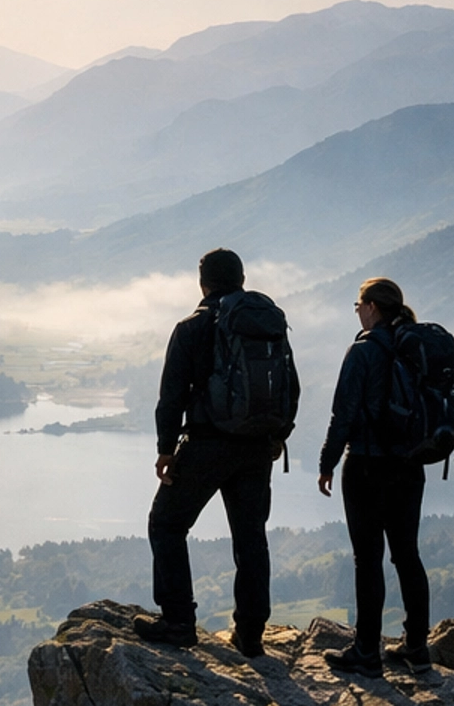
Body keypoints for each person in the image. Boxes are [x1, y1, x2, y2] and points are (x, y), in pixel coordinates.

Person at [135, 248, 299, 657]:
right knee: (251, 537)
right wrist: (280, 434)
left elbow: (172, 395)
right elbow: (290, 386)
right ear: (242, 279)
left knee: (167, 524)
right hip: (258, 447)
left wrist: (165, 449)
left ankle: (177, 621)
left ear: (202, 282)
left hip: (207, 443)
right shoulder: (266, 322)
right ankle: (251, 634)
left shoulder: (192, 327)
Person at [316, 275, 431, 679]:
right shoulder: (413, 347)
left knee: (368, 560)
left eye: (358, 305)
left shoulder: (363, 351)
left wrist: (326, 462)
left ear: (372, 308)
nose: (358, 311)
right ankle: (417, 647)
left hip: (366, 465)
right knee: (407, 555)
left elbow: (343, 414)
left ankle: (367, 651)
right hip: (409, 468)